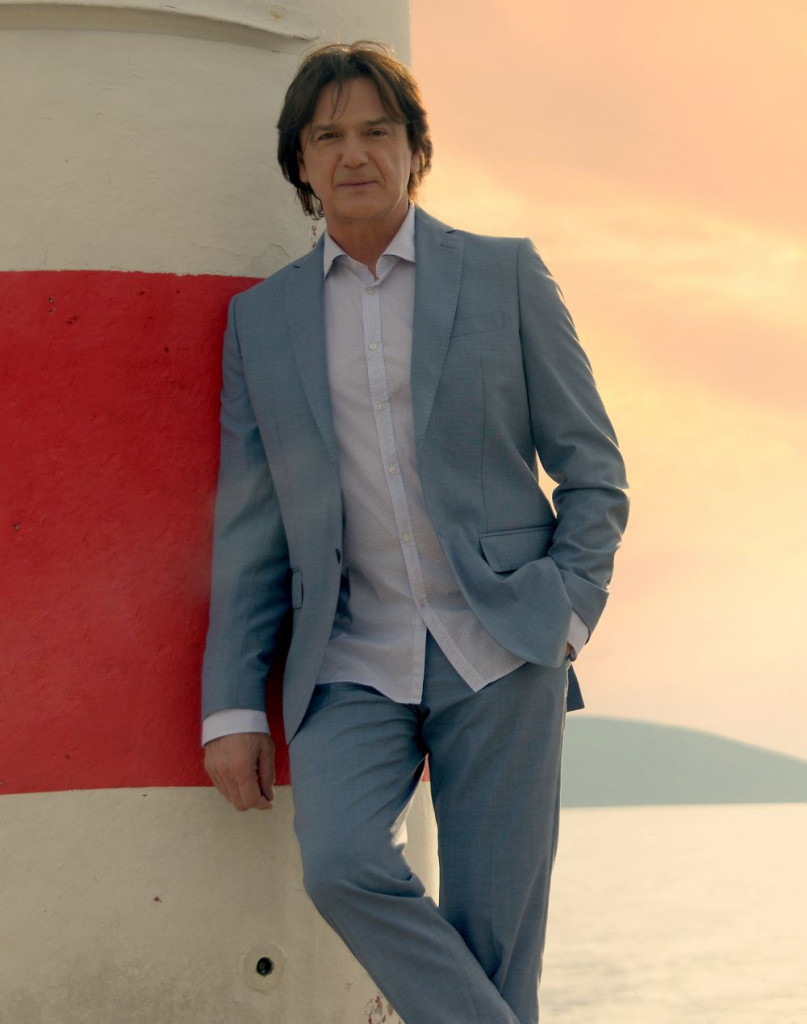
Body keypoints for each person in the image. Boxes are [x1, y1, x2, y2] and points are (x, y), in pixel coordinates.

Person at [202, 41, 628, 1024]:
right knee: (340, 860)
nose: (354, 154)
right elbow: (249, 527)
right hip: (349, 653)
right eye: (328, 136)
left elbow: (593, 468)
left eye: (376, 131)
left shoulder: (503, 274)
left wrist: (564, 615)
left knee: (496, 941)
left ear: (413, 149)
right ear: (300, 162)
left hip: (504, 645)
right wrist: (231, 705)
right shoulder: (261, 322)